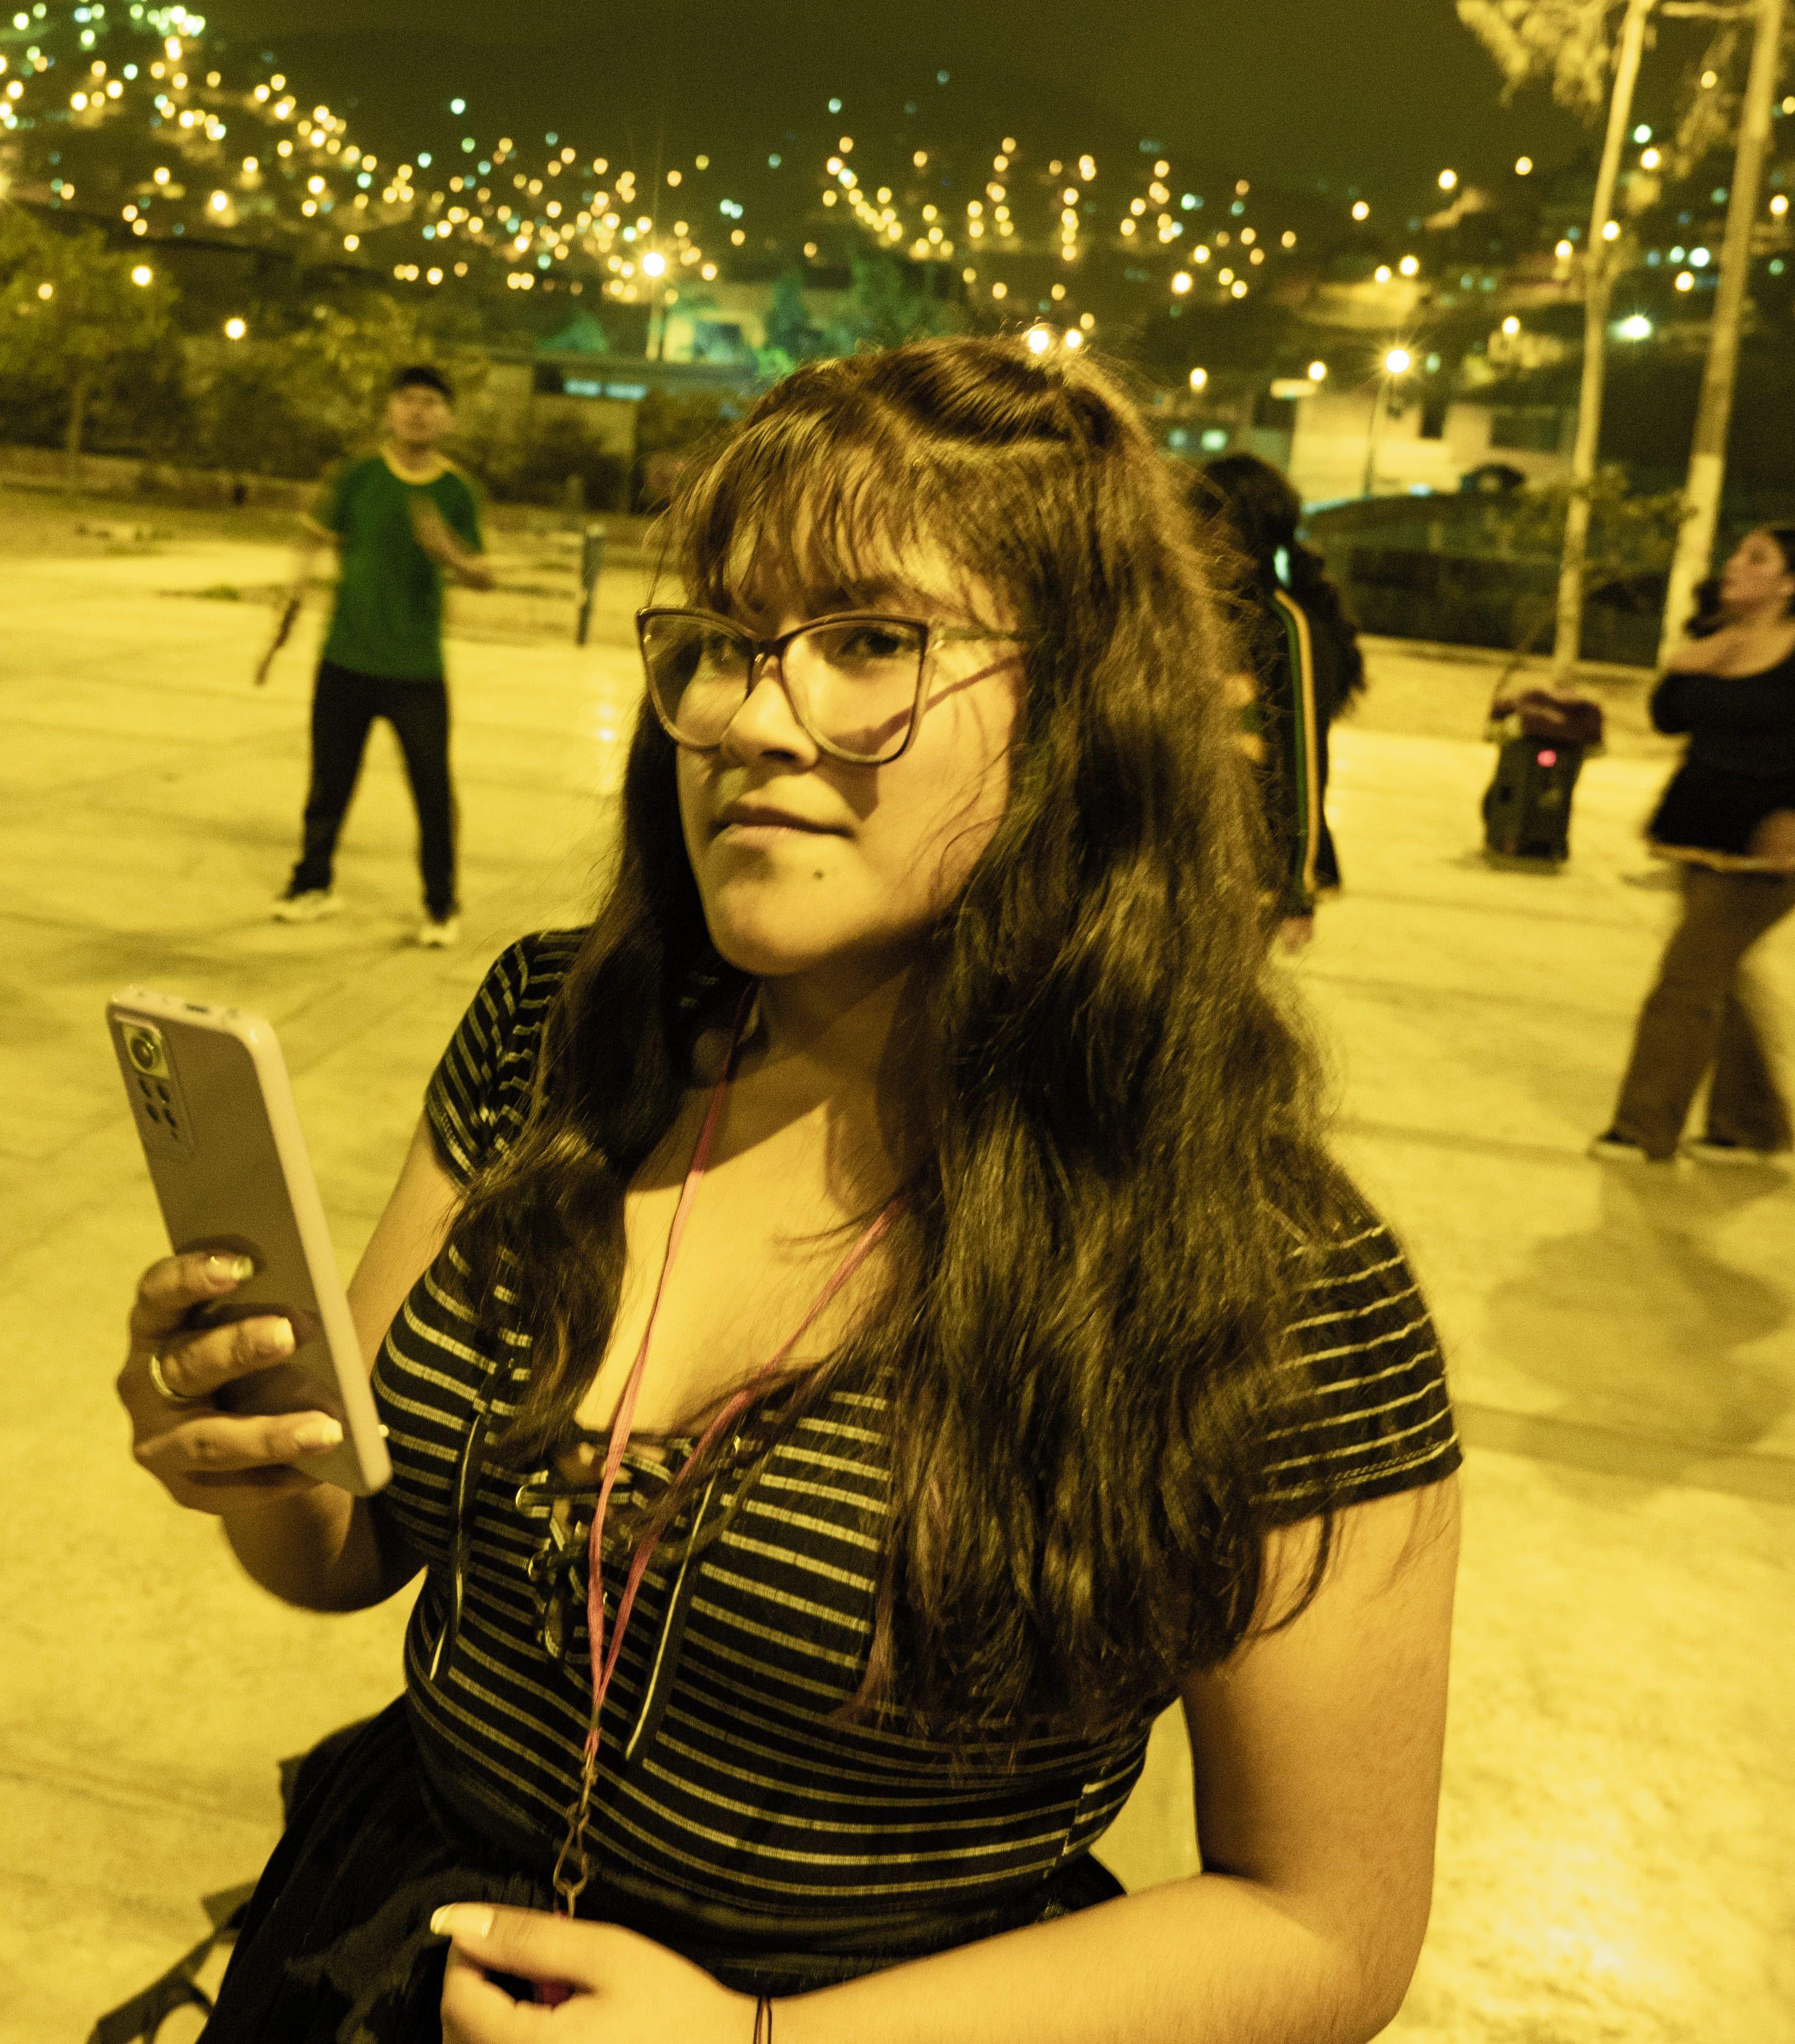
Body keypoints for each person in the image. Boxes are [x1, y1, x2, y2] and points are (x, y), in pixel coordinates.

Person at [123, 338, 1460, 2040]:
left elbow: (1325, 1925)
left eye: (870, 645)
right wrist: (253, 1450)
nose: (755, 720)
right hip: (380, 1959)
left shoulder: (1265, 1266)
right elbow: (353, 1550)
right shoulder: (560, 1030)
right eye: (721, 648)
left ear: (1085, 705)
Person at [1595, 525, 1795, 1164]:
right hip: (1700, 829)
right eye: (1739, 553)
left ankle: (1643, 1126)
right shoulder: (1718, 639)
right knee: (1716, 974)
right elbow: (1671, 718)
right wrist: (1683, 666)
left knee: (1686, 978)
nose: (1735, 565)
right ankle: (1750, 1125)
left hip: (1771, 843)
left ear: (1790, 583)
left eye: (1756, 558)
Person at [274, 365, 494, 949]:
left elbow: (483, 576)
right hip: (344, 660)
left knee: (431, 787)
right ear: (391, 410)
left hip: (416, 671)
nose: (417, 411)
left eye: (430, 402)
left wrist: (448, 551)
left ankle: (441, 905)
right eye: (407, 400)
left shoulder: (455, 491)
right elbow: (314, 537)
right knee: (329, 781)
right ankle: (311, 885)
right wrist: (293, 593)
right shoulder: (359, 476)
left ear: (447, 417)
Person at [1197, 452, 1360, 940]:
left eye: (1216, 523)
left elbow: (1304, 764)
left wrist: (1296, 889)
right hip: (1177, 859)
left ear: (1250, 533)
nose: (1203, 538)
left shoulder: (1287, 628)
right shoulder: (1190, 614)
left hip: (1246, 877)